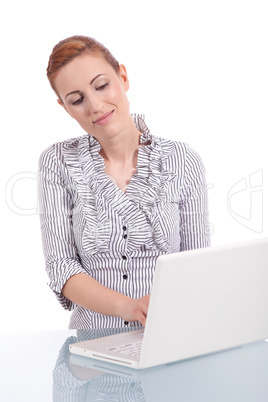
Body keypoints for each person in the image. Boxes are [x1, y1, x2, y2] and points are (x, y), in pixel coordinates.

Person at [38, 35, 210, 330]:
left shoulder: (183, 160)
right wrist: (127, 307)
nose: (95, 105)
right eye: (77, 100)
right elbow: (61, 267)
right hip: (91, 344)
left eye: (102, 85)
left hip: (170, 334)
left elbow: (198, 265)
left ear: (123, 77)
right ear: (65, 107)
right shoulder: (57, 162)